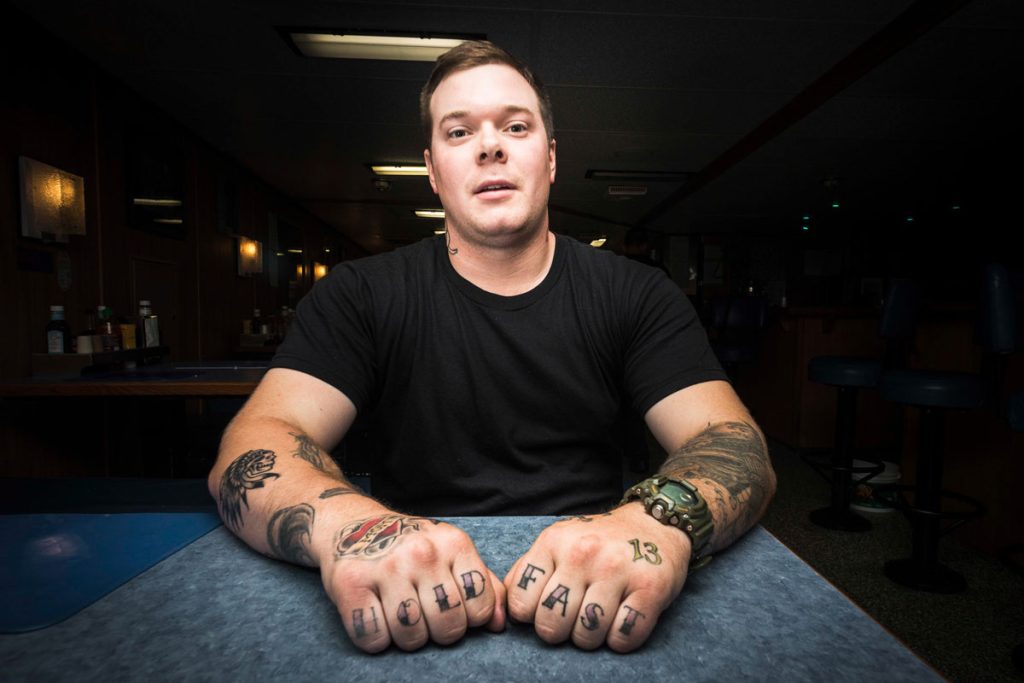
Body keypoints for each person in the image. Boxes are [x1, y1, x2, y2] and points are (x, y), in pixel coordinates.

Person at [208, 40, 776, 654]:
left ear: (551, 158)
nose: (490, 145)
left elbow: (733, 443)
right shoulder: (361, 294)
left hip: (595, 580)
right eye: (459, 132)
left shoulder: (637, 295)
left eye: (515, 125)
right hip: (409, 590)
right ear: (432, 169)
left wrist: (655, 525)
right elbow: (256, 443)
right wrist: (356, 527)